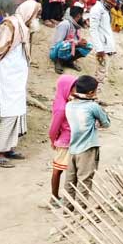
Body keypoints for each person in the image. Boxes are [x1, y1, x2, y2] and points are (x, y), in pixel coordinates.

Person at [0, 0, 42, 167]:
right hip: (8, 78)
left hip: (16, 79)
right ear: (28, 13)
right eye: (35, 14)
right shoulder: (10, 26)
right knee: (10, 113)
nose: (36, 18)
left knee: (17, 113)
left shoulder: (21, 26)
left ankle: (8, 148)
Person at [64, 75, 110, 208]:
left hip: (73, 147)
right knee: (84, 180)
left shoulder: (69, 105)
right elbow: (106, 123)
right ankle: (80, 210)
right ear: (91, 92)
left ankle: (67, 208)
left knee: (70, 180)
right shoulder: (92, 106)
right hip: (88, 147)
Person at [48, 75, 77, 206]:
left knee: (67, 170)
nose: (76, 90)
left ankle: (64, 197)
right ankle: (54, 197)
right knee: (58, 170)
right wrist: (53, 140)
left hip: (71, 140)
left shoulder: (66, 103)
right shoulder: (62, 107)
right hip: (64, 142)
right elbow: (54, 127)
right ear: (66, 88)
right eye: (74, 88)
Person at [89, 0, 117, 89]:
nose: (114, 1)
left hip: (107, 47)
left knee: (103, 74)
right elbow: (93, 29)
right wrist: (99, 48)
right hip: (102, 48)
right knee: (100, 75)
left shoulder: (105, 10)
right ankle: (94, 97)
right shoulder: (97, 9)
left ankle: (96, 96)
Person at [50, 6, 92, 73]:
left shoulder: (76, 26)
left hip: (69, 48)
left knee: (89, 46)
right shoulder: (65, 24)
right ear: (78, 16)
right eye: (82, 16)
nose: (82, 18)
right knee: (65, 45)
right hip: (56, 52)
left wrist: (81, 42)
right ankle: (59, 62)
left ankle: (69, 61)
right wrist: (77, 43)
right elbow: (58, 42)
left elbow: (75, 41)